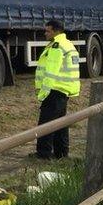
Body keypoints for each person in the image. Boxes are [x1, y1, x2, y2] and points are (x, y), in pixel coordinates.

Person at [32, 19, 81, 159]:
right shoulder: (67, 44)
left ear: (56, 31)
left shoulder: (56, 46)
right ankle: (61, 153)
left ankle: (43, 154)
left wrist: (43, 93)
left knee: (45, 124)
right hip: (64, 90)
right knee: (61, 124)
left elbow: (51, 72)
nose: (45, 33)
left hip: (54, 90)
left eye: (48, 30)